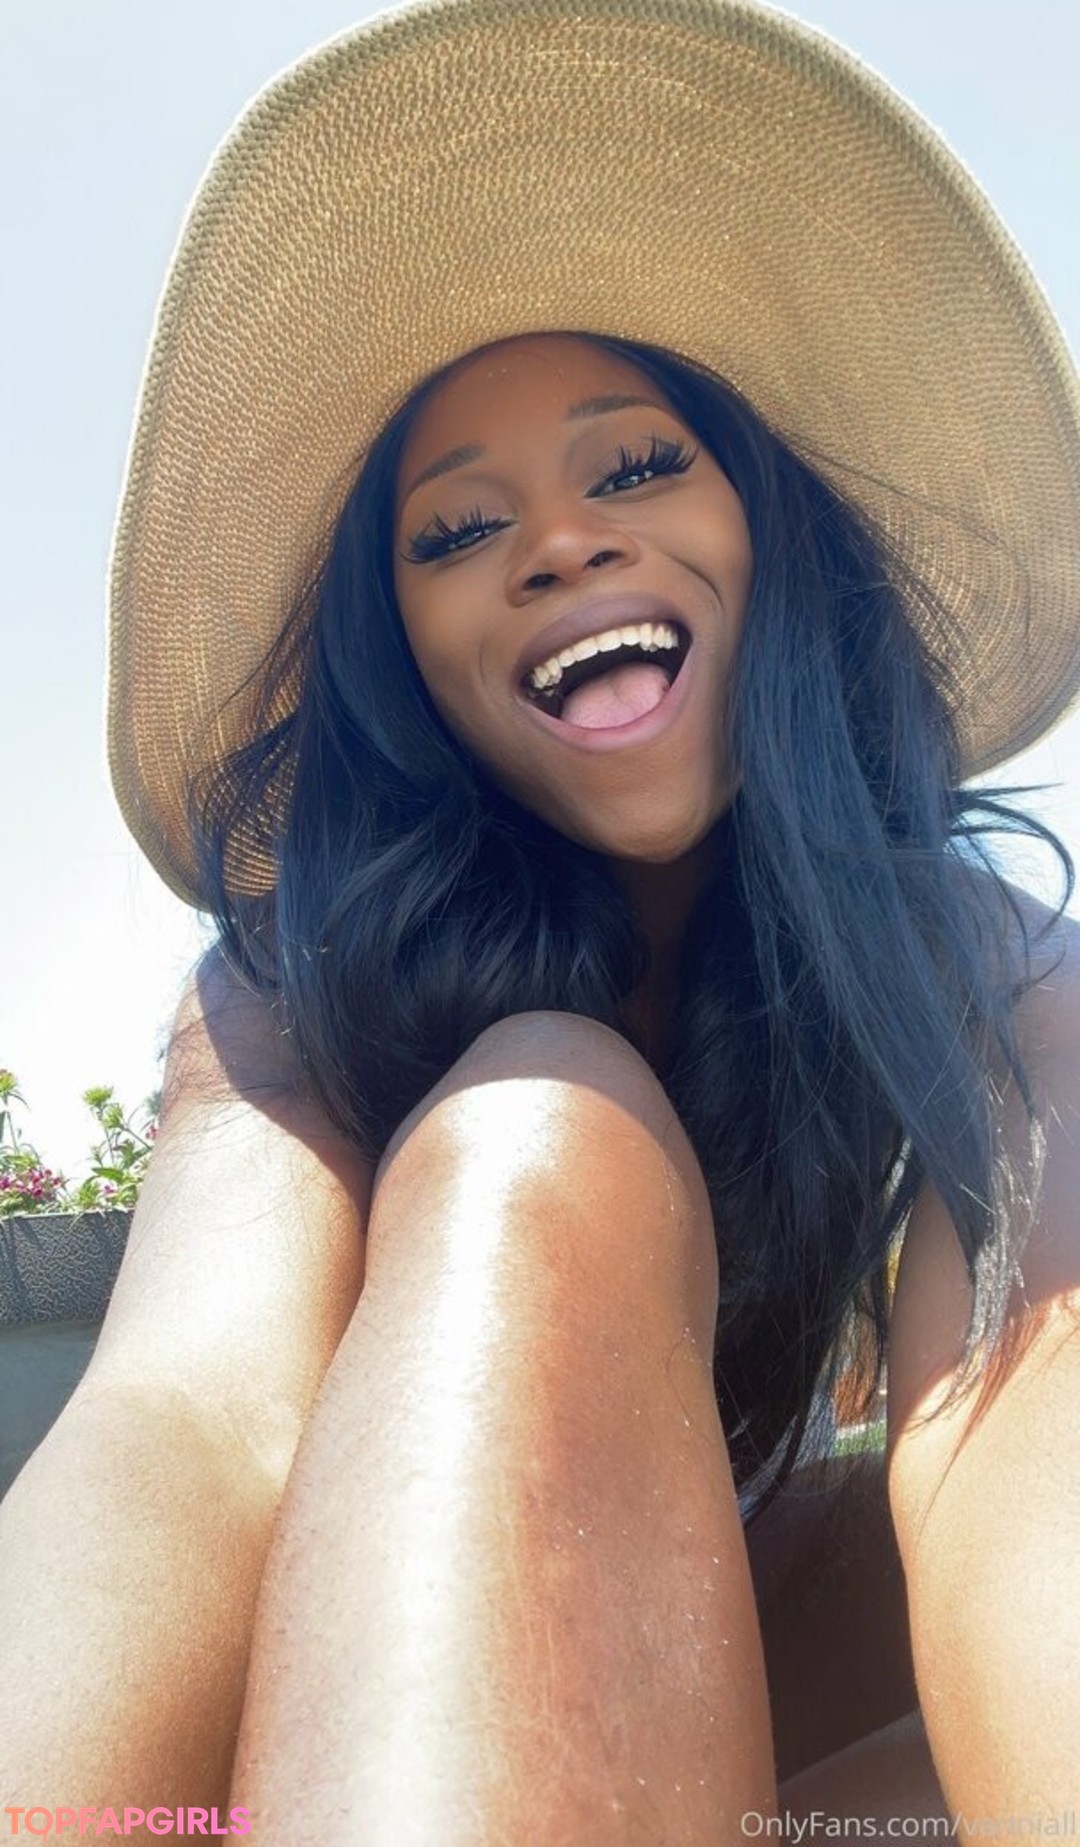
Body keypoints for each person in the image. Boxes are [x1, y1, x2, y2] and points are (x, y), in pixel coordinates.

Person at [3, 0, 1079, 1838]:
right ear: (402, 655)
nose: (561, 543)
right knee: (540, 1126)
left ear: (774, 533)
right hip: (308, 1714)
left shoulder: (987, 957)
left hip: (729, 1651)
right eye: (452, 530)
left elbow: (1021, 1400)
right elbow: (193, 1431)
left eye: (638, 465)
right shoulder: (289, 988)